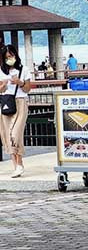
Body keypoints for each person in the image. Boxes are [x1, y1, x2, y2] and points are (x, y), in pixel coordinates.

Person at [0, 45, 32, 178]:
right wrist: (3, 85)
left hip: (20, 102)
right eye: (7, 57)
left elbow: (27, 89)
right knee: (7, 134)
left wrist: (20, 82)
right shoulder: (1, 71)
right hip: (6, 103)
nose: (9, 59)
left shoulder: (24, 69)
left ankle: (20, 163)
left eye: (11, 56)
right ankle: (16, 165)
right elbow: (0, 90)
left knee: (15, 134)